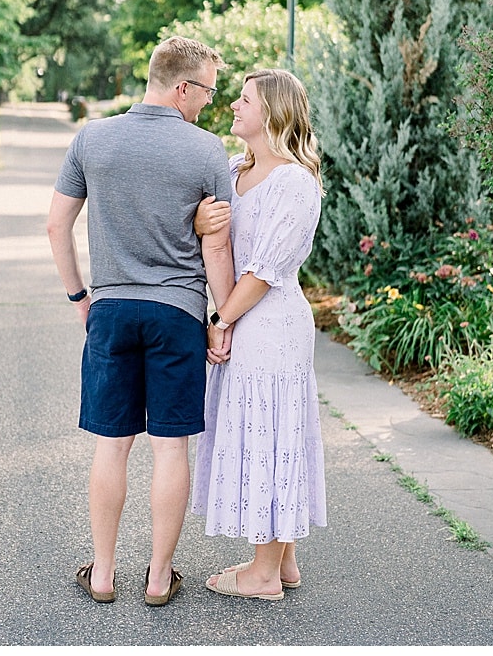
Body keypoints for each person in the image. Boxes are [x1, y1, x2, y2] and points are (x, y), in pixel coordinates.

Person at [47, 35, 237, 606]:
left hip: (110, 310)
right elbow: (220, 245)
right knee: (170, 449)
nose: (208, 101)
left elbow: (57, 226)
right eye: (206, 89)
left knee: (112, 444)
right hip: (177, 312)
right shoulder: (207, 151)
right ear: (182, 86)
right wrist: (219, 320)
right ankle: (158, 577)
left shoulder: (93, 139)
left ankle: (102, 574)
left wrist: (82, 297)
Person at [188, 68, 328, 601]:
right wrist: (220, 317)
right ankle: (284, 561)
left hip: (273, 324)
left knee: (273, 434)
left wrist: (223, 320)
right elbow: (218, 248)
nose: (233, 106)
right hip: (239, 316)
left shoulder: (295, 182)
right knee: (263, 433)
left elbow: (265, 271)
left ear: (271, 111)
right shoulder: (232, 171)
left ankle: (263, 573)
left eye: (244, 99)